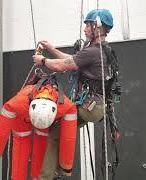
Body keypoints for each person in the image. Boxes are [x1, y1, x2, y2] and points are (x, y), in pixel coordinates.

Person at [32, 9, 119, 179]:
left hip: (88, 108)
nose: (85, 29)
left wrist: (42, 60)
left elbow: (61, 66)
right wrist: (51, 49)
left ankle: (47, 176)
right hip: (96, 107)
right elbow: (71, 59)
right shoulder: (102, 50)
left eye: (88, 25)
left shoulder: (93, 51)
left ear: (98, 28)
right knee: (59, 130)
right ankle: (58, 171)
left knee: (54, 127)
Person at [0, 78, 78, 180]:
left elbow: (69, 138)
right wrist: (66, 167)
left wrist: (66, 165)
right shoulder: (18, 104)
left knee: (39, 140)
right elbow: (1, 132)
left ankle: (36, 177)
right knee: (24, 141)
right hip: (23, 114)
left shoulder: (65, 106)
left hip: (41, 118)